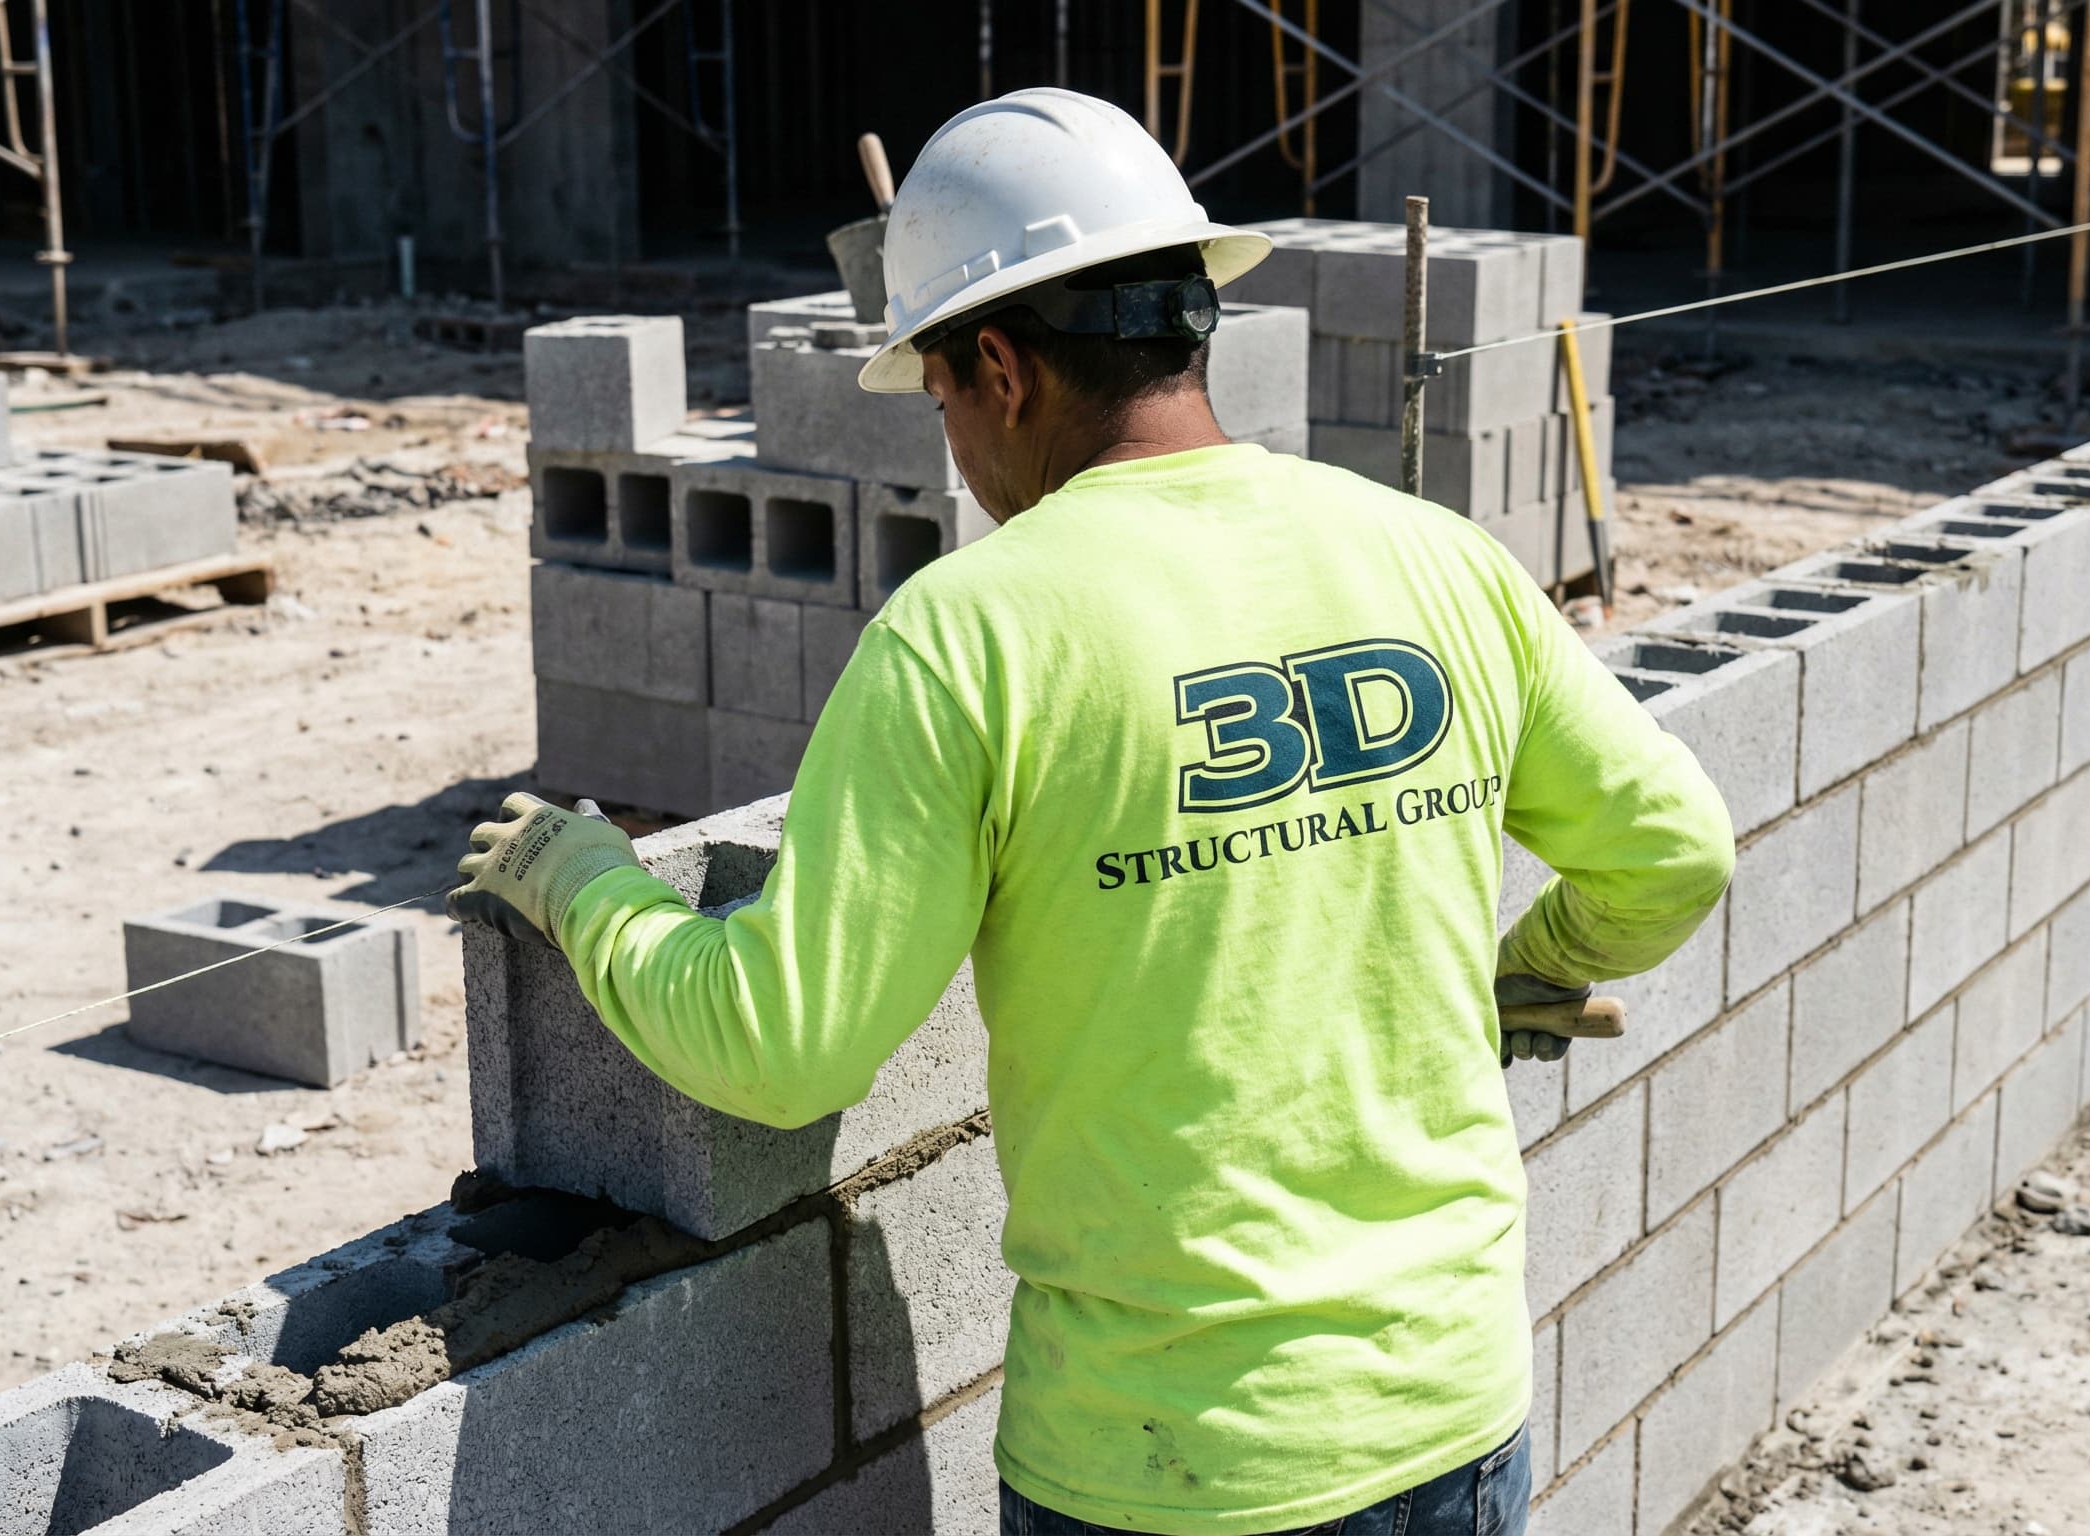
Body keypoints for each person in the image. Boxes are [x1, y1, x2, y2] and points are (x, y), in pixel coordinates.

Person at [450, 87, 1733, 1536]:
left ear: (997, 364)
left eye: (936, 397)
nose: (953, 448)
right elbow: (1674, 853)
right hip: (1454, 1423)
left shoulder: (972, 636)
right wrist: (1537, 963)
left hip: (1158, 1468)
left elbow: (780, 1043)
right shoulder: (1433, 558)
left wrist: (588, 891)